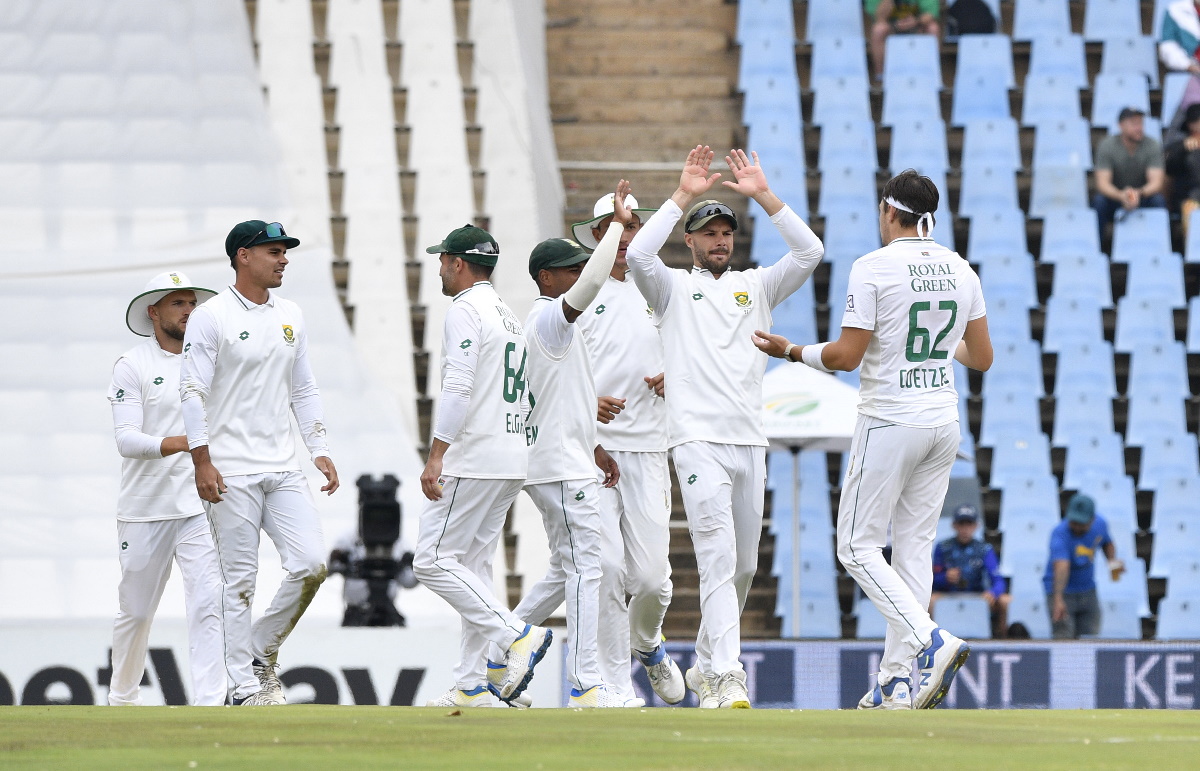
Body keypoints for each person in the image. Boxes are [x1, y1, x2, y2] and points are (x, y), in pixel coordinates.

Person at [752, 169, 993, 710]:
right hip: (942, 423)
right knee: (913, 551)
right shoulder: (960, 267)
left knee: (856, 547)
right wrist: (931, 348)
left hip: (890, 419)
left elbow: (845, 357)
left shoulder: (873, 267)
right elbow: (981, 359)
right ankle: (894, 681)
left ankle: (930, 639)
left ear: (889, 212)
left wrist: (791, 351)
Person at [625, 146, 823, 709]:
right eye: (706, 232)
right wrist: (682, 194)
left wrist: (762, 194)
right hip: (695, 440)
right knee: (715, 555)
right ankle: (728, 675)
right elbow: (639, 256)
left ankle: (708, 662)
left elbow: (810, 251)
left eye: (725, 233)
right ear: (688, 241)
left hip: (747, 440)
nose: (718, 240)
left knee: (743, 567)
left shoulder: (756, 285)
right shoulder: (671, 289)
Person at [492, 181, 640, 709]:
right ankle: (584, 682)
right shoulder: (550, 319)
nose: (581, 277)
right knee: (587, 569)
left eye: (582, 268)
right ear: (547, 277)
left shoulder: (550, 328)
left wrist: (595, 446)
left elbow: (563, 397)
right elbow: (597, 281)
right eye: (572, 270)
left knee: (565, 568)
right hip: (558, 466)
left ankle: (496, 652)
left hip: (565, 457)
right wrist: (619, 225)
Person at [180, 221, 340, 706]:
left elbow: (304, 386)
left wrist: (319, 447)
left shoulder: (291, 313)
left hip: (283, 466)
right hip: (230, 470)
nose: (284, 259)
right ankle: (245, 690)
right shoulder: (212, 316)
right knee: (239, 582)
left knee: (311, 565)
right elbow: (192, 391)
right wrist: (201, 461)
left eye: (286, 251)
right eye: (274, 251)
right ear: (243, 256)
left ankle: (258, 652)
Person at [412, 224, 552, 709]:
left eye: (442, 260)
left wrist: (437, 454)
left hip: (476, 455)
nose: (439, 269)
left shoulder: (466, 309)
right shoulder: (505, 313)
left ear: (457, 263)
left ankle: (517, 635)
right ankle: (472, 683)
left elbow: (457, 386)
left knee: (430, 559)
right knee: (473, 566)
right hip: (511, 454)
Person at [571, 191, 685, 706]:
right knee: (609, 571)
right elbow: (552, 367)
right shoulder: (582, 292)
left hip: (649, 448)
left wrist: (677, 375)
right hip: (593, 450)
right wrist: (585, 403)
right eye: (612, 229)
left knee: (652, 579)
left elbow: (701, 352)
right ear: (596, 237)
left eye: (632, 227)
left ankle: (648, 643)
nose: (622, 238)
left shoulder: (660, 289)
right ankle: (615, 686)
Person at [107, 271, 225, 706]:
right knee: (136, 613)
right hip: (144, 508)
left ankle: (212, 703)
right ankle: (122, 699)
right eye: (178, 303)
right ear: (154, 313)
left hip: (200, 508)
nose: (188, 311)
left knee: (209, 603)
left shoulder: (214, 362)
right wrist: (189, 444)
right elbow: (127, 441)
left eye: (192, 303)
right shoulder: (132, 364)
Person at [1043, 493, 1125, 640]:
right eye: (1073, 522)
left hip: (1088, 590)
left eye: (1081, 523)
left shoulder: (1100, 525)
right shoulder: (1059, 534)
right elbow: (1062, 566)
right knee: (1063, 639)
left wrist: (1112, 562)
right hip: (1061, 591)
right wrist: (1058, 599)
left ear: (1092, 520)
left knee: (1090, 639)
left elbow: (1107, 542)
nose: (1076, 526)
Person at [930, 504, 1010, 637]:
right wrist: (945, 577)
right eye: (961, 524)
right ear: (954, 525)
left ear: (976, 526)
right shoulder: (943, 547)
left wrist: (992, 593)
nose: (965, 529)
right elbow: (931, 580)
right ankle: (932, 642)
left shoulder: (984, 549)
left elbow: (999, 581)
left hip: (977, 595)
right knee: (931, 601)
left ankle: (1005, 641)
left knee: (1005, 600)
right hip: (949, 594)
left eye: (969, 524)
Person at [1092, 107, 1167, 235]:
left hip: (1142, 196)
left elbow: (1156, 182)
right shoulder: (1107, 146)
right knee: (1099, 202)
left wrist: (1139, 193)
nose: (1139, 128)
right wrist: (1121, 195)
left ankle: (1161, 244)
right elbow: (1102, 183)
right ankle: (1097, 246)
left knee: (1158, 201)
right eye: (1134, 123)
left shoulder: (1152, 145)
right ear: (1120, 125)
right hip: (1115, 197)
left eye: (1141, 123)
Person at [867, 0, 940, 82]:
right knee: (878, 30)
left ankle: (931, 76)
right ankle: (881, 78)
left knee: (933, 28)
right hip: (891, 27)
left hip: (917, 24)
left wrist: (916, 21)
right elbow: (879, 18)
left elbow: (931, 13)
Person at [1165, 102, 1200, 232]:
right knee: (1190, 207)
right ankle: (1194, 249)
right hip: (1188, 199)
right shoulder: (1179, 147)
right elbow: (1168, 169)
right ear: (1192, 125)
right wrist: (1182, 150)